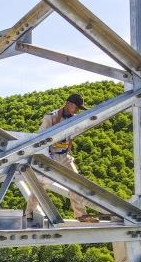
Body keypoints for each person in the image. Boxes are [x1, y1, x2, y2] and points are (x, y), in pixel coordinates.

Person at [25, 93, 98, 224]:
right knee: (41, 184)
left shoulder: (74, 119)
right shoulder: (51, 117)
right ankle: (29, 212)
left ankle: (80, 214)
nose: (76, 111)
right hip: (50, 154)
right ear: (68, 104)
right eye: (76, 107)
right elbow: (40, 137)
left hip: (65, 155)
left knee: (76, 182)